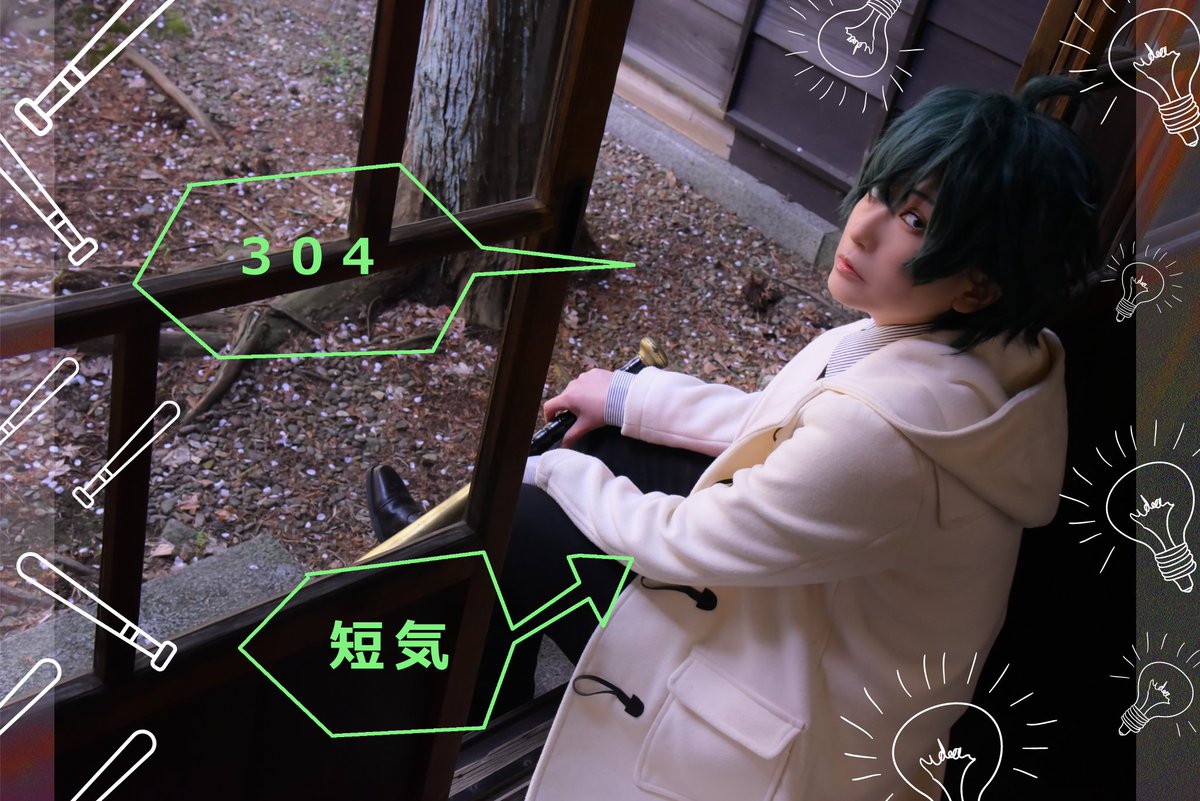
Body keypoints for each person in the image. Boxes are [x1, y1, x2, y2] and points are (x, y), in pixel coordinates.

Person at [395, 75, 1098, 800]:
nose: (863, 226)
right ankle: (466, 619)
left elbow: (688, 539)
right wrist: (629, 396)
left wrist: (537, 472)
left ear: (977, 286)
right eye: (880, 191)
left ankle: (452, 708)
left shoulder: (891, 439)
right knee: (602, 452)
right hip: (823, 634)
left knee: (520, 518)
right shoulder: (978, 354)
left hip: (796, 728)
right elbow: (778, 420)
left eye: (915, 221)